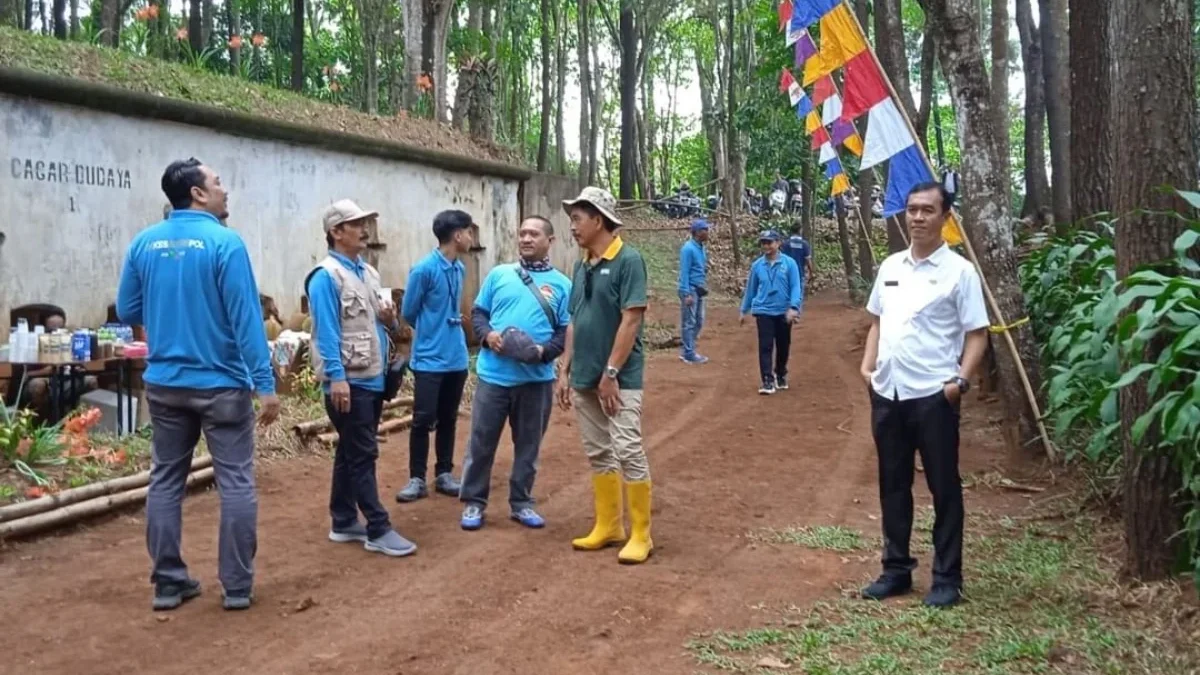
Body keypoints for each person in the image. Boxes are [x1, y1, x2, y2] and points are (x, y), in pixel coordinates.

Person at [117, 158, 280, 612]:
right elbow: (246, 320)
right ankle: (236, 587)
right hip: (222, 386)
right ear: (197, 194)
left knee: (166, 480)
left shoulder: (144, 243)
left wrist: (171, 309)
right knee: (236, 482)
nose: (225, 190)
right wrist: (265, 385)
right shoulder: (226, 244)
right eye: (218, 182)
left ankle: (169, 583)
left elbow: (129, 308)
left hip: (165, 384)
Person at [858, 182, 989, 609]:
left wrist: (959, 383)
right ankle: (895, 569)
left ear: (945, 217)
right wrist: (868, 366)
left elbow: (977, 334)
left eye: (927, 210)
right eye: (912, 209)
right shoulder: (891, 266)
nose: (917, 217)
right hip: (889, 393)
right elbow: (877, 320)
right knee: (892, 485)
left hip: (934, 395)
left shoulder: (960, 273)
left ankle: (947, 578)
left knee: (943, 486)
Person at [306, 199, 417, 557]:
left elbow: (371, 325)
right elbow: (326, 331)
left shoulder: (367, 273)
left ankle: (342, 520)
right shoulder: (325, 276)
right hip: (348, 383)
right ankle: (377, 527)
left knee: (351, 450)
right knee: (363, 453)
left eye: (365, 222)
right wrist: (336, 379)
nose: (365, 229)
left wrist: (388, 321)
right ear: (336, 232)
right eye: (357, 224)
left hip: (371, 377)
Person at [556, 187, 653, 565]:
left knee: (627, 448)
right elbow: (574, 321)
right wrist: (564, 369)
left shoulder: (629, 260)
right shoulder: (581, 265)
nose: (573, 227)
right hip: (583, 376)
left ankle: (641, 533)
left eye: (577, 219)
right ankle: (609, 526)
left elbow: (631, 320)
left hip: (619, 378)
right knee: (599, 452)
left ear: (599, 219)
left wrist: (611, 372)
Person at [459, 216, 571, 531]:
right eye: (522, 233)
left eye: (534, 233)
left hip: (536, 381)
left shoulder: (563, 284)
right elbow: (479, 313)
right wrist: (487, 336)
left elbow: (565, 330)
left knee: (529, 445)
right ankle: (474, 502)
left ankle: (521, 503)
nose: (525, 238)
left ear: (550, 240)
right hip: (494, 377)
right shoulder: (499, 275)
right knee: (481, 442)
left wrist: (544, 353)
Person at [395, 210, 473, 502]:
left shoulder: (459, 269)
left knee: (448, 418)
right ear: (456, 235)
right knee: (422, 418)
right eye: (468, 232)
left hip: (456, 357)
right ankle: (416, 478)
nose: (470, 237)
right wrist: (432, 329)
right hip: (429, 357)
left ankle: (444, 474)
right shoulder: (424, 270)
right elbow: (409, 312)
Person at [739, 231, 801, 395]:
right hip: (763, 310)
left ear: (778, 243)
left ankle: (780, 373)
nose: (766, 246)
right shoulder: (757, 265)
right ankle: (767, 380)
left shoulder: (790, 264)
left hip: (783, 311)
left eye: (769, 242)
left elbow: (796, 287)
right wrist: (744, 310)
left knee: (783, 346)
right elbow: (751, 289)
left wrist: (794, 307)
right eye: (763, 243)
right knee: (765, 346)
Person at [677, 219, 710, 364]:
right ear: (697, 232)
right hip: (690, 288)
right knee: (689, 322)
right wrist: (686, 293)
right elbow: (684, 272)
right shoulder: (688, 249)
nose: (708, 232)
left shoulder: (701, 247)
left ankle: (688, 349)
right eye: (705, 230)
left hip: (699, 288)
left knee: (699, 321)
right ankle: (689, 353)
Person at [782, 221, 815, 309]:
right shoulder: (804, 244)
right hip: (799, 273)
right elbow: (808, 260)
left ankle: (787, 310)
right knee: (798, 293)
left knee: (787, 292)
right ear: (800, 230)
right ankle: (796, 312)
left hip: (786, 273)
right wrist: (811, 272)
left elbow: (782, 259)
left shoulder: (786, 243)